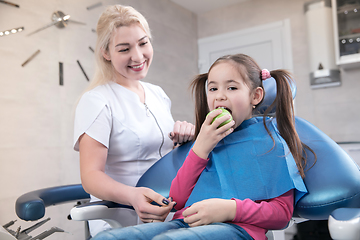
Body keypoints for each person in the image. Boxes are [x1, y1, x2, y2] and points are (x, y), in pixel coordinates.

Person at [91, 53, 315, 240]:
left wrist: (229, 209)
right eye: (213, 89)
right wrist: (200, 148)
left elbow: (282, 214)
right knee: (107, 238)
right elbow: (177, 200)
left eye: (232, 88)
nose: (220, 97)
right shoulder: (206, 141)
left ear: (255, 95)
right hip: (185, 225)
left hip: (240, 230)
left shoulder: (271, 144)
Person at [73, 5, 194, 237]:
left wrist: (183, 137)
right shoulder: (97, 100)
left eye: (143, 43)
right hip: (120, 216)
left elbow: (159, 154)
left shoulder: (158, 94)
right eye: (124, 48)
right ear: (106, 53)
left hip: (168, 211)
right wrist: (132, 195)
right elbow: (91, 176)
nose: (138, 56)